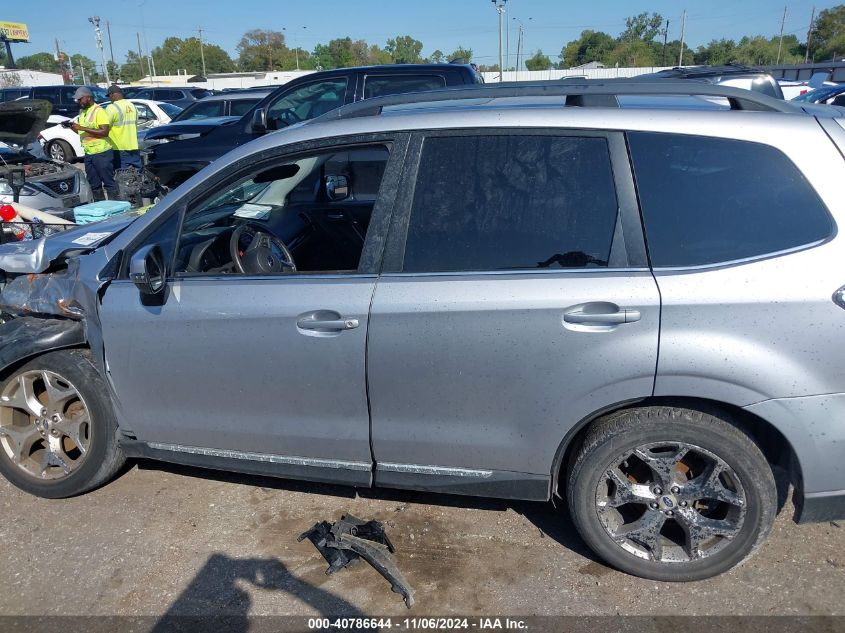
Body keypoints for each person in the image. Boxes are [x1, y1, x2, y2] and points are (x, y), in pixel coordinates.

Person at [69, 86, 118, 201]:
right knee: (94, 183)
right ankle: (101, 207)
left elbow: (104, 132)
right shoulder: (83, 112)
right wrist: (73, 128)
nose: (78, 101)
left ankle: (116, 207)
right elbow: (83, 132)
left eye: (80, 99)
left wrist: (82, 127)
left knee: (108, 182)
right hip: (89, 153)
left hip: (102, 153)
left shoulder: (99, 111)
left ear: (88, 97)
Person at [105, 85, 142, 171]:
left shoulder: (111, 107)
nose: (110, 99)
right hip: (134, 146)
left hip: (119, 147)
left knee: (122, 176)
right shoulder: (132, 106)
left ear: (112, 95)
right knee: (138, 173)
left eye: (109, 96)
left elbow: (105, 127)